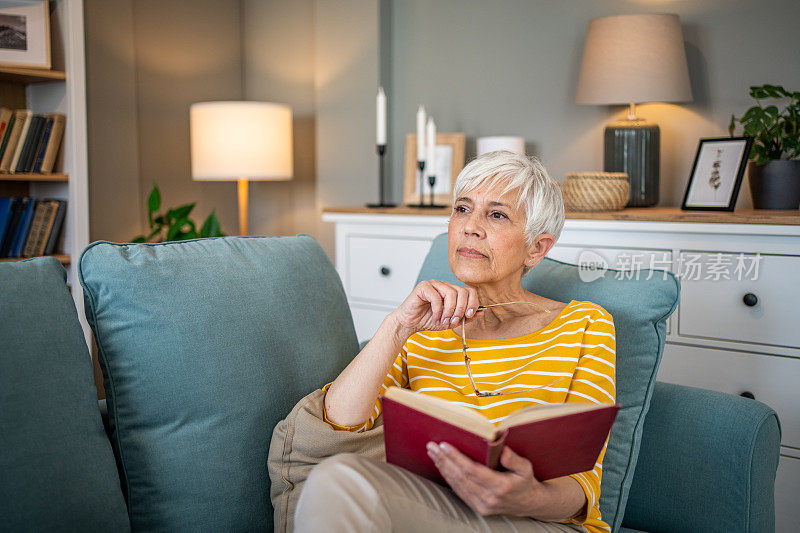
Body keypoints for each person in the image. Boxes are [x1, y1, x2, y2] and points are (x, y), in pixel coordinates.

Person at [296, 151, 616, 533]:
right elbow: (341, 422)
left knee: (340, 482)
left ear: (536, 248)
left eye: (496, 215)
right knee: (338, 476)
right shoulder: (425, 328)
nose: (470, 226)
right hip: (432, 508)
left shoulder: (584, 324)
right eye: (462, 208)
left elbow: (582, 487)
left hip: (535, 521)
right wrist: (397, 326)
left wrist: (526, 496)